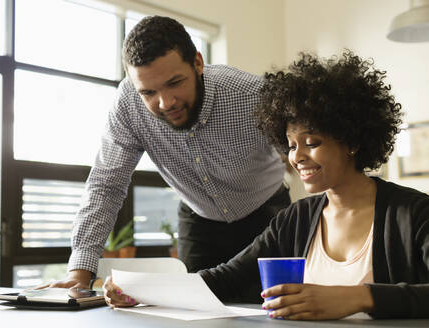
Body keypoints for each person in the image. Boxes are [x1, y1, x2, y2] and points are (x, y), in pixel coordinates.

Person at [103, 50, 429, 320]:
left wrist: (361, 298)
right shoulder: (295, 219)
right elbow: (226, 278)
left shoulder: (414, 214)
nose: (296, 156)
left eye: (311, 142)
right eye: (290, 144)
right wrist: (140, 291)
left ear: (351, 142)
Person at [47, 15, 290, 290]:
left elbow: (306, 156)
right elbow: (106, 185)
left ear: (198, 63)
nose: (165, 103)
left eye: (175, 83)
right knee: (191, 308)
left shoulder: (251, 94)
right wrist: (78, 275)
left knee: (278, 308)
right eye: (148, 92)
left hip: (268, 214)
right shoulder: (128, 105)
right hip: (199, 219)